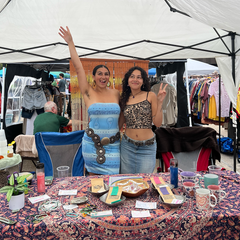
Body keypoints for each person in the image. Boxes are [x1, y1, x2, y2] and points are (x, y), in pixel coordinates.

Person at [59, 26, 121, 175]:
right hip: (92, 145)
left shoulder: (116, 93)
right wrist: (70, 43)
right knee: (94, 185)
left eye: (106, 74)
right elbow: (78, 68)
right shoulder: (88, 92)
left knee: (112, 183)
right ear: (93, 77)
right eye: (99, 74)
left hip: (114, 145)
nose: (103, 77)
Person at [119, 66, 167, 174]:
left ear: (143, 81)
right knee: (127, 181)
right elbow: (119, 124)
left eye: (139, 77)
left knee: (144, 181)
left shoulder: (150, 95)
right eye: (132, 77)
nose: (135, 79)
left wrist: (159, 103)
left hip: (147, 147)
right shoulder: (124, 99)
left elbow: (157, 123)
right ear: (127, 80)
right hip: (127, 146)